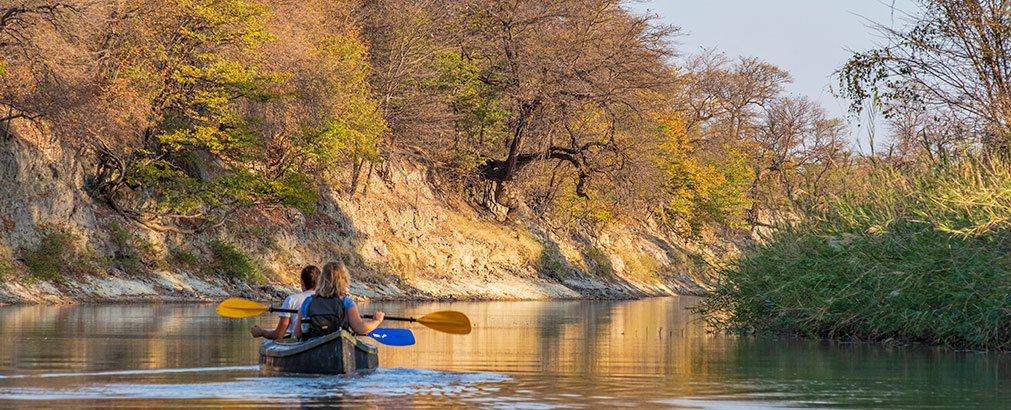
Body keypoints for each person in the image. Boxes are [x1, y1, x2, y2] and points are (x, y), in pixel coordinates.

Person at [293, 260, 384, 340]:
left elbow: (297, 333)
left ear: (321, 280)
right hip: (338, 344)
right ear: (344, 281)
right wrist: (376, 321)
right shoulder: (346, 302)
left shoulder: (308, 301)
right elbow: (360, 328)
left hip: (312, 347)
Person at [251, 265, 319, 340]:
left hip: (298, 343)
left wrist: (261, 332)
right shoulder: (326, 300)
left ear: (302, 283)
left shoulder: (292, 300)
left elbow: (278, 335)